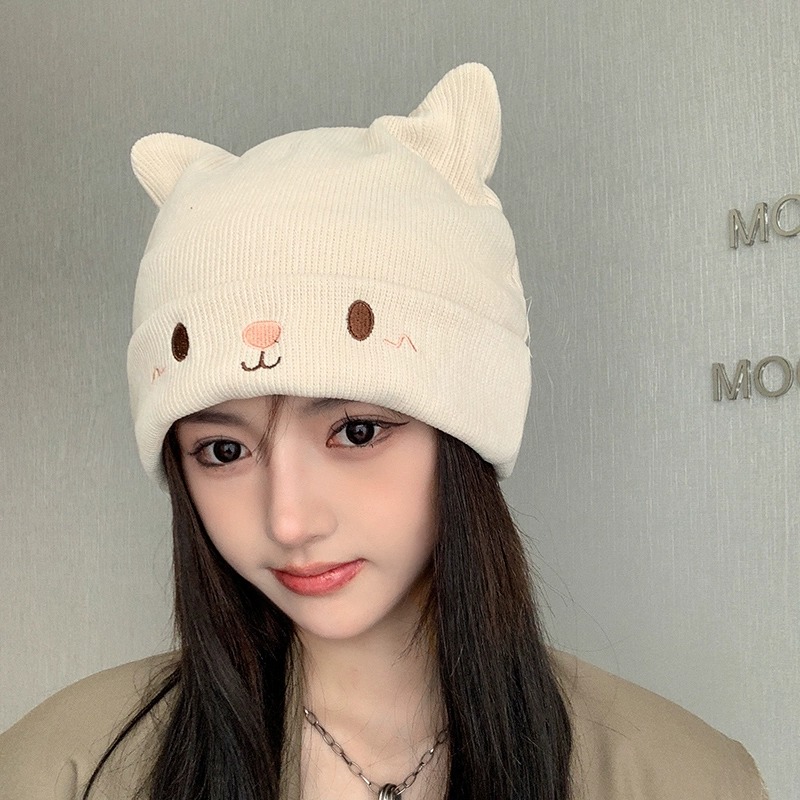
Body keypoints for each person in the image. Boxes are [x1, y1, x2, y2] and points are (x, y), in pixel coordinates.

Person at [0, 63, 767, 800]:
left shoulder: (684, 779)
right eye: (224, 451)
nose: (289, 520)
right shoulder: (59, 772)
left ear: (464, 432)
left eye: (358, 432)